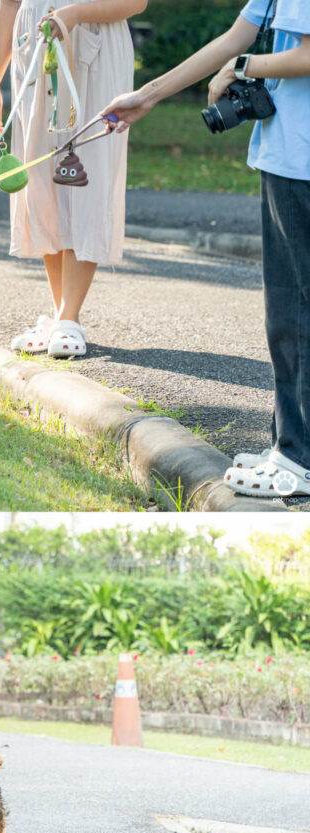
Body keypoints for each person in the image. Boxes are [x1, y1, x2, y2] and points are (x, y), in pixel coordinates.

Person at [102, 0, 310, 498]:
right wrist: (147, 96)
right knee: (287, 314)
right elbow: (234, 36)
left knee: (297, 313)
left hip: (302, 163)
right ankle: (290, 446)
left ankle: (299, 459)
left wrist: (245, 67)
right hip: (289, 157)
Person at [0, 0, 147, 357]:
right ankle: (60, 314)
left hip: (94, 43)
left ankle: (69, 316)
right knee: (41, 180)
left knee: (86, 169)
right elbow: (10, 3)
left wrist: (73, 14)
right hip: (36, 45)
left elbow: (136, 2)